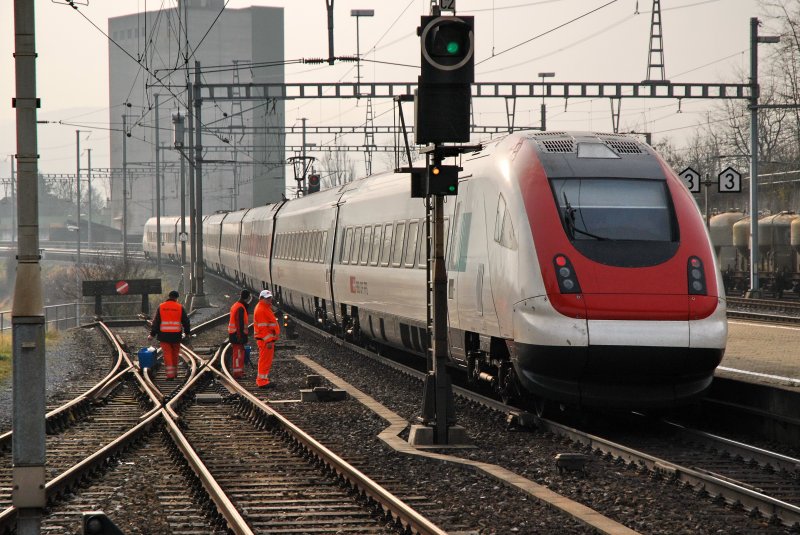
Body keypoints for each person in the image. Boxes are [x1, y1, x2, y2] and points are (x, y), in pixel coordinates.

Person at [148, 290, 190, 380]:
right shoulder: (180, 307)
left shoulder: (161, 307)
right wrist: (187, 333)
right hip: (176, 336)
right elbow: (186, 321)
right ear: (176, 298)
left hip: (164, 336)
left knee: (167, 355)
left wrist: (152, 334)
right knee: (175, 354)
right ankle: (174, 373)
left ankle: (170, 375)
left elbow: (156, 322)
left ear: (169, 296)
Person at [253, 289, 280, 388]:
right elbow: (263, 328)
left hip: (266, 340)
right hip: (265, 341)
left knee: (266, 361)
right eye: (267, 299)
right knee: (264, 361)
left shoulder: (265, 307)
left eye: (270, 298)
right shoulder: (261, 309)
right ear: (261, 298)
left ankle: (263, 379)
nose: (269, 301)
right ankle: (262, 381)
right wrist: (268, 340)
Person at [228, 289, 252, 379]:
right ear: (247, 297)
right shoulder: (240, 308)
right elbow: (239, 324)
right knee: (238, 355)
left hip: (234, 334)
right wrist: (240, 336)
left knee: (239, 354)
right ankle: (237, 373)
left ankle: (240, 371)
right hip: (237, 335)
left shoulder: (236, 305)